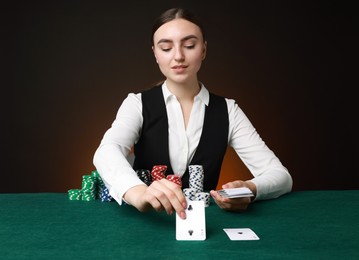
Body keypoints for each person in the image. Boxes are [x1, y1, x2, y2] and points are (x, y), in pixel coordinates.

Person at [93, 7, 293, 220]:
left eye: (189, 45)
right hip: (149, 222)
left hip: (205, 225)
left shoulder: (228, 110)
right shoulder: (137, 103)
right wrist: (138, 192)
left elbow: (282, 177)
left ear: (204, 50)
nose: (178, 56)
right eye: (166, 48)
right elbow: (106, 151)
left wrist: (249, 188)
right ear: (155, 54)